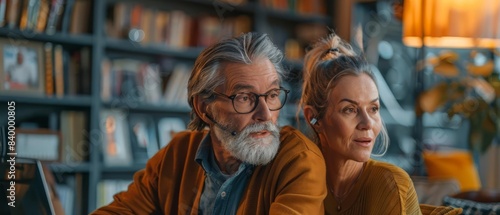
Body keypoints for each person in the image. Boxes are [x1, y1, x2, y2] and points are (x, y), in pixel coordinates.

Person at [92, 32, 326, 214]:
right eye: (245, 98)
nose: (265, 114)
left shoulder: (299, 161)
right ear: (204, 108)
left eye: (273, 95)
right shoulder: (178, 153)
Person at [300, 33, 422, 214]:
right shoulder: (299, 182)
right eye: (349, 109)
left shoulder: (391, 184)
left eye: (373, 108)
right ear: (314, 119)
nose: (367, 123)